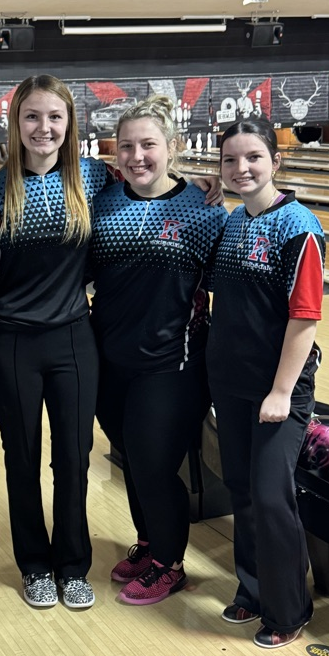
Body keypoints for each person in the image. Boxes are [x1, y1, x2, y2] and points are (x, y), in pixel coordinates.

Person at [90, 96, 228, 607]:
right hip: (111, 358)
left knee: (153, 463)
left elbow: (228, 288)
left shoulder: (204, 210)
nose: (137, 155)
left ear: (172, 148)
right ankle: (149, 543)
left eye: (149, 144)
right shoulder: (103, 202)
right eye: (127, 146)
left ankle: (169, 564)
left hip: (173, 362)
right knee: (130, 459)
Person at [0, 75, 109, 610]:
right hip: (11, 342)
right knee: (22, 459)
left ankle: (73, 565)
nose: (44, 127)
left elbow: (155, 187)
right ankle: (34, 564)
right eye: (32, 116)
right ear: (15, 123)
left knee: (74, 461)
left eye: (54, 117)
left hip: (73, 340)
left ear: (69, 124)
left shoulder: (95, 178)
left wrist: (201, 187)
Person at [207, 118, 325, 649]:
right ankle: (252, 591)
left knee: (271, 495)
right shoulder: (233, 222)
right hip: (230, 381)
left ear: (276, 161)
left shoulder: (298, 227)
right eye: (230, 160)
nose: (241, 168)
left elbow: (304, 319)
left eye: (253, 157)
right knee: (241, 489)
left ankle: (288, 610)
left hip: (278, 389)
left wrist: (280, 391)